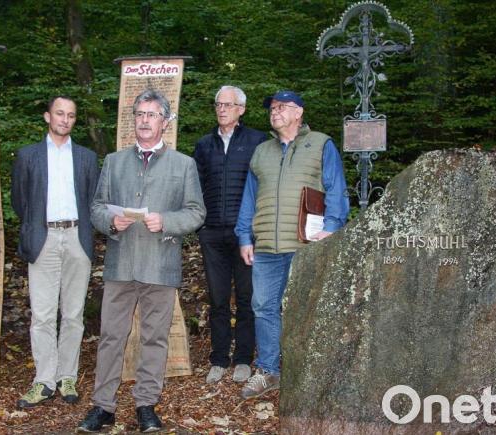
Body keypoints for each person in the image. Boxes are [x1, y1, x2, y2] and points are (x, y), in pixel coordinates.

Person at [77, 89, 206, 433]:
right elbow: (96, 207)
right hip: (120, 264)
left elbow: (196, 212)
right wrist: (110, 221)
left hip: (160, 264)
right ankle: (103, 406)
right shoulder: (114, 161)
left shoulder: (183, 164)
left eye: (151, 115)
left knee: (155, 339)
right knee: (111, 337)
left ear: (164, 122)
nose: (144, 120)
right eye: (139, 114)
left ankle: (146, 405)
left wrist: (166, 221)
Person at [234, 90, 349, 399]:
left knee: (306, 308)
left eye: (282, 107)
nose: (275, 112)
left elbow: (336, 189)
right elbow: (249, 199)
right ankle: (269, 371)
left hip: (306, 246)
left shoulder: (321, 144)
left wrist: (332, 229)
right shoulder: (262, 152)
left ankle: (311, 372)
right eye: (272, 108)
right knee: (263, 306)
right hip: (267, 248)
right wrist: (244, 237)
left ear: (299, 112)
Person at [11, 96, 99, 408]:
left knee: (73, 313)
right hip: (43, 236)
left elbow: (93, 199)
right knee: (43, 314)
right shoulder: (28, 156)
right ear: (48, 116)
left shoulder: (87, 157)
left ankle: (67, 376)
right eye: (59, 113)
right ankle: (44, 380)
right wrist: (36, 228)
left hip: (77, 237)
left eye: (71, 115)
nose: (65, 119)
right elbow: (20, 201)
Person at [193, 85, 267, 385]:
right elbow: (196, 187)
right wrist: (200, 225)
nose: (222, 109)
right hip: (212, 232)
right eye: (218, 104)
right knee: (218, 298)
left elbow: (265, 186)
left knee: (247, 297)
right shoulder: (203, 145)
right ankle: (219, 358)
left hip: (246, 234)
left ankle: (243, 359)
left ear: (241, 109)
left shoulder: (257, 141)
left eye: (228, 104)